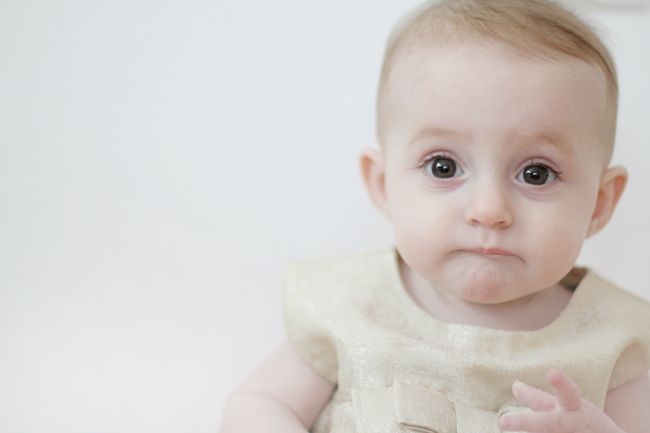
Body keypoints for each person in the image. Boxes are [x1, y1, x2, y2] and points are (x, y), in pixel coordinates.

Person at [219, 0, 650, 432]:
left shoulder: (613, 341)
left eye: (536, 174)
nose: (489, 210)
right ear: (383, 185)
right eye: (443, 167)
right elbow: (256, 405)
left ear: (599, 204)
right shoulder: (352, 304)